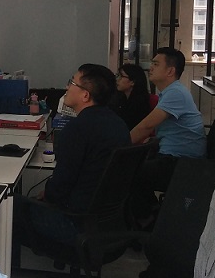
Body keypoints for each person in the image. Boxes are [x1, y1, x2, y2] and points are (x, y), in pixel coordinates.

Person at [13, 64, 130, 251]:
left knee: (5, 204)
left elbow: (59, 189)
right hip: (107, 223)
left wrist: (48, 193)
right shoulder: (118, 124)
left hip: (75, 224)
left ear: (85, 95)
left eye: (72, 83)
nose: (67, 87)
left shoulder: (77, 129)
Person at [130, 48, 206, 222]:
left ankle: (149, 220)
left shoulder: (175, 93)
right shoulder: (169, 91)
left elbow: (146, 126)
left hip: (182, 162)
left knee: (128, 172)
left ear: (170, 71)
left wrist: (119, 144)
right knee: (133, 165)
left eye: (156, 64)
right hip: (174, 156)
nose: (151, 68)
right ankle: (150, 216)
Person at [110, 63, 153, 130]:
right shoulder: (118, 99)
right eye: (117, 75)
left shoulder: (140, 104)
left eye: (121, 76)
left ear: (132, 82)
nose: (117, 79)